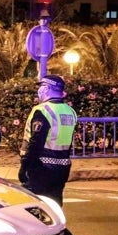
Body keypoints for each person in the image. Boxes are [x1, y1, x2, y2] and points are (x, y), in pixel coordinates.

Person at [18, 74, 77, 206]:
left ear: (46, 88)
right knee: (55, 205)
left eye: (40, 87)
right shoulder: (70, 111)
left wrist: (25, 167)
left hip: (41, 167)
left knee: (38, 207)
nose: (39, 91)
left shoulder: (43, 110)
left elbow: (35, 142)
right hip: (63, 167)